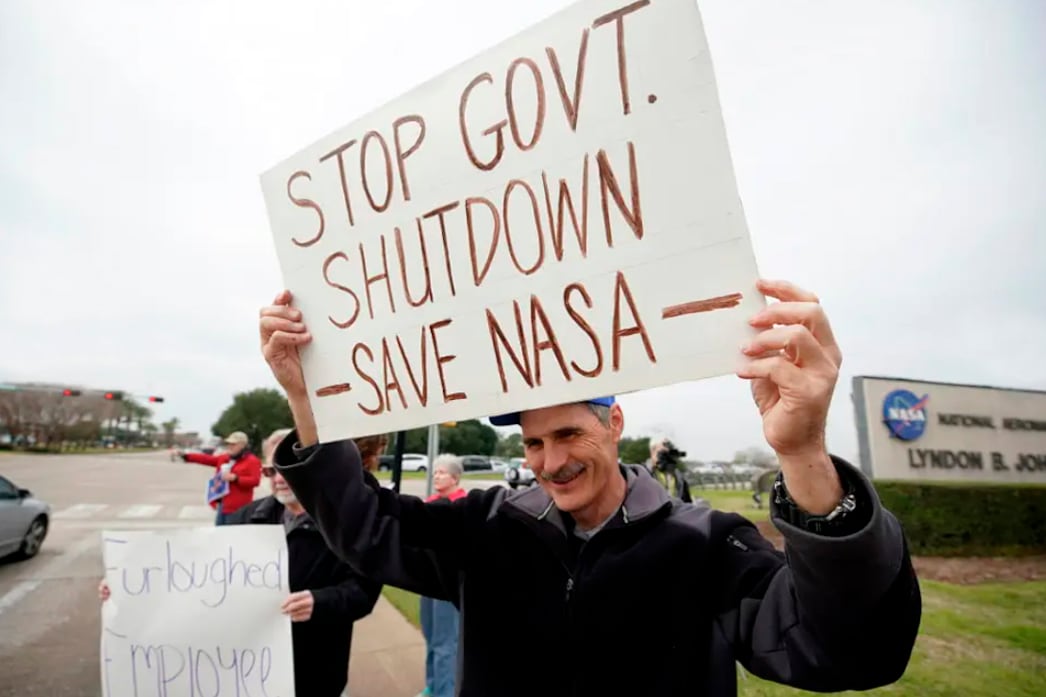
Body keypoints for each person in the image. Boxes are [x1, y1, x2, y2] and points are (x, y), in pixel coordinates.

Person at [258, 279, 922, 696]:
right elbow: (366, 528)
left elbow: (845, 651)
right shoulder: (487, 527)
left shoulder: (706, 543)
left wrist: (802, 450)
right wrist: (303, 392)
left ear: (615, 422)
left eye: (570, 434)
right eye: (534, 442)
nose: (550, 461)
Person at [102, 428, 382, 697]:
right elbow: (194, 577)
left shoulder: (344, 527)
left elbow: (363, 592)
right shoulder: (247, 518)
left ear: (311, 471)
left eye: (287, 470)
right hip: (247, 670)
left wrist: (320, 601)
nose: (279, 479)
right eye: (271, 471)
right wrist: (128, 585)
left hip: (314, 668)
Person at [417, 455, 467, 697]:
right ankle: (433, 684)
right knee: (430, 635)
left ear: (455, 477)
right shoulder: (430, 503)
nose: (436, 476)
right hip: (427, 582)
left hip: (448, 586)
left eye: (442, 472)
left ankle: (445, 691)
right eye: (435, 472)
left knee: (446, 643)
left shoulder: (464, 505)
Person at [177, 431, 261, 524]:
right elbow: (206, 459)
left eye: (233, 444)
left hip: (239, 509)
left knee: (232, 535)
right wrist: (186, 456)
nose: (230, 446)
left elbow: (255, 481)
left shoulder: (252, 461)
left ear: (242, 445)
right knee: (219, 534)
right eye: (228, 444)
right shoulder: (225, 458)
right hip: (222, 505)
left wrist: (236, 478)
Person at [646, 437, 693, 503]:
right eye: (664, 453)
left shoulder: (679, 477)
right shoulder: (643, 475)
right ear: (652, 452)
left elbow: (687, 503)